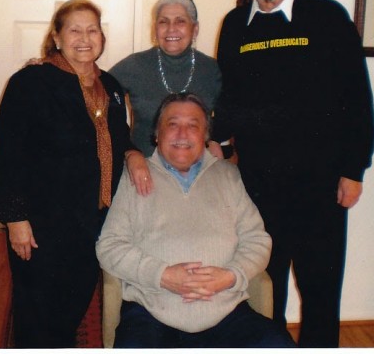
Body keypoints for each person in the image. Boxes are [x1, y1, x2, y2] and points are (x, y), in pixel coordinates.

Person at [208, 0, 374, 348]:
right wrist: (220, 142)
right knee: (265, 290)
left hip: (320, 187)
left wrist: (354, 169)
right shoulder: (233, 26)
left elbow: (357, 97)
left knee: (321, 291)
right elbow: (229, 97)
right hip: (257, 188)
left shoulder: (327, 17)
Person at [0, 0, 152, 348]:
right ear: (57, 37)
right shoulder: (31, 82)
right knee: (37, 311)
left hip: (93, 219)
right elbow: (6, 154)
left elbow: (120, 140)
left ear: (102, 37)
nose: (84, 38)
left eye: (92, 29)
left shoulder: (110, 86)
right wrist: (15, 219)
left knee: (72, 305)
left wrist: (135, 155)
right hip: (43, 222)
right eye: (74, 29)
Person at [96, 93, 296, 348]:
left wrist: (230, 276)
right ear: (156, 134)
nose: (182, 134)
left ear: (204, 137)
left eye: (193, 125)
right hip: (152, 311)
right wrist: (163, 275)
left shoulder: (228, 176)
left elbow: (257, 240)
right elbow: (109, 246)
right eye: (172, 124)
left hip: (226, 312)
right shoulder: (134, 177)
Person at [109, 0, 221, 156]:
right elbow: (99, 101)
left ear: (195, 29)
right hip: (145, 170)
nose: (171, 28)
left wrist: (215, 139)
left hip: (196, 168)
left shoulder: (212, 69)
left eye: (180, 21)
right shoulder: (133, 66)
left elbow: (232, 113)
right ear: (155, 29)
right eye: (163, 21)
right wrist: (129, 151)